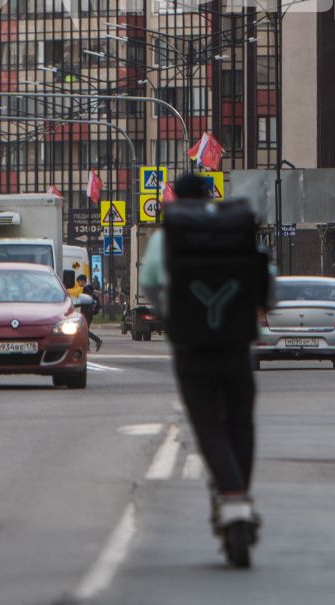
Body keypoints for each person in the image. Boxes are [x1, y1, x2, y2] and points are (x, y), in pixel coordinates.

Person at [139, 171, 274, 568]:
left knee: (208, 424)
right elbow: (268, 284)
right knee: (240, 421)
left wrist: (170, 314)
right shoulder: (234, 229)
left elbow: (149, 282)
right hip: (236, 342)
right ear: (211, 195)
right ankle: (240, 498)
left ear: (176, 199)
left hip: (190, 346)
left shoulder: (169, 235)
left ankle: (232, 496)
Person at [76, 276, 103, 352]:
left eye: (79, 281)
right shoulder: (89, 288)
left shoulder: (86, 288)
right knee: (85, 330)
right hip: (89, 312)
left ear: (83, 281)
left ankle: (98, 341)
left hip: (87, 312)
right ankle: (87, 347)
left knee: (84, 330)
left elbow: (87, 299)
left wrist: (79, 298)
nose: (78, 283)